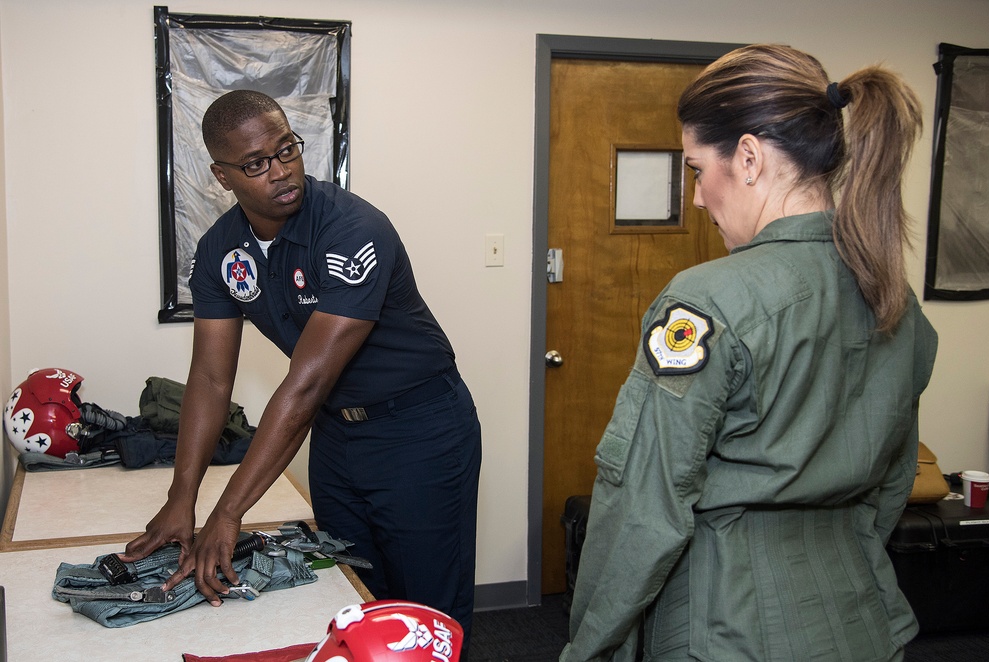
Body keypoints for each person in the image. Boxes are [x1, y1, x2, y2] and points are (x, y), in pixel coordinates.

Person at [560, 44, 938, 662]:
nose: (701, 198)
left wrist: (589, 647)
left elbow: (645, 508)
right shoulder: (894, 299)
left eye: (695, 170)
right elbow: (893, 482)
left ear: (749, 157)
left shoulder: (707, 300)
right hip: (858, 615)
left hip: (728, 623)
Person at [121, 90, 482, 645]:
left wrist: (228, 512)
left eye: (286, 148)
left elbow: (305, 383)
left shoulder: (353, 227)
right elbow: (210, 379)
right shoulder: (221, 251)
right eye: (256, 163)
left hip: (420, 430)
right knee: (349, 598)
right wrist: (181, 499)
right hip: (338, 435)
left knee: (422, 619)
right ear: (223, 176)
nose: (282, 170)